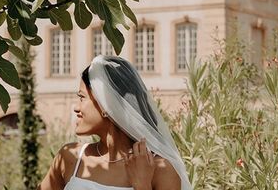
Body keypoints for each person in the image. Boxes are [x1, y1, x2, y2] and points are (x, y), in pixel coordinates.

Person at [38, 55, 191, 190]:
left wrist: (142, 185)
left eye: (82, 97)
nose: (76, 108)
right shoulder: (69, 157)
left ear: (106, 105)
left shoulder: (160, 170)